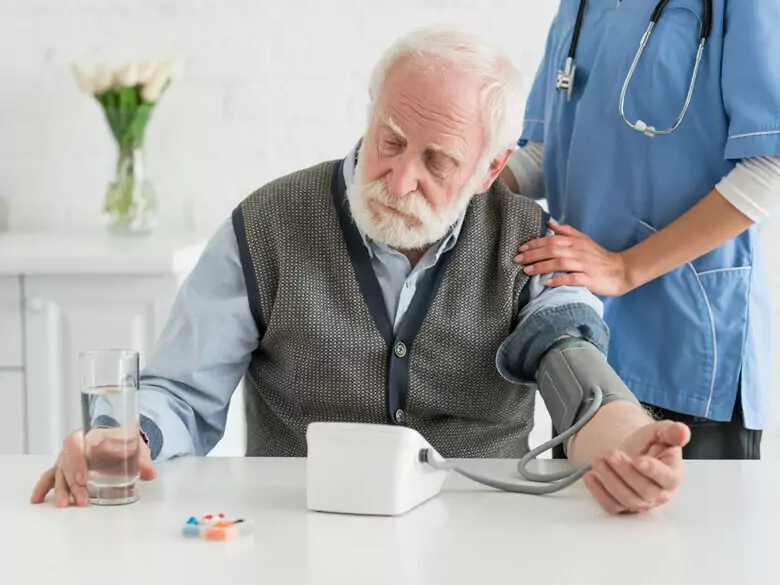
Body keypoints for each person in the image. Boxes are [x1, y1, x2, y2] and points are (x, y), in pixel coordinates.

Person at [31, 27, 689, 515]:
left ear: (490, 169)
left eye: (438, 162)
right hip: (298, 534)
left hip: (482, 535)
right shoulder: (265, 225)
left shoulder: (529, 240)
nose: (401, 180)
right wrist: (126, 434)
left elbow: (577, 370)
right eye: (391, 140)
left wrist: (629, 444)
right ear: (370, 113)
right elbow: (180, 393)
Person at [500, 0, 778, 460]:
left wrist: (625, 267)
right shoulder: (581, 6)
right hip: (581, 337)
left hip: (687, 342)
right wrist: (444, 177)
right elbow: (540, 156)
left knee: (679, 527)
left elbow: (769, 163)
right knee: (580, 525)